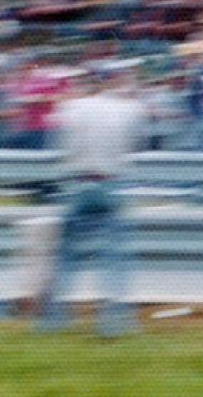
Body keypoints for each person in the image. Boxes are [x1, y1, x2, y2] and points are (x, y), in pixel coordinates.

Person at [34, 65, 148, 337]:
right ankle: (114, 321)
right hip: (110, 182)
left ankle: (53, 319)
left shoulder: (70, 109)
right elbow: (134, 145)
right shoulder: (126, 109)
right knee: (115, 256)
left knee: (65, 256)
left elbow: (59, 146)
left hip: (78, 182)